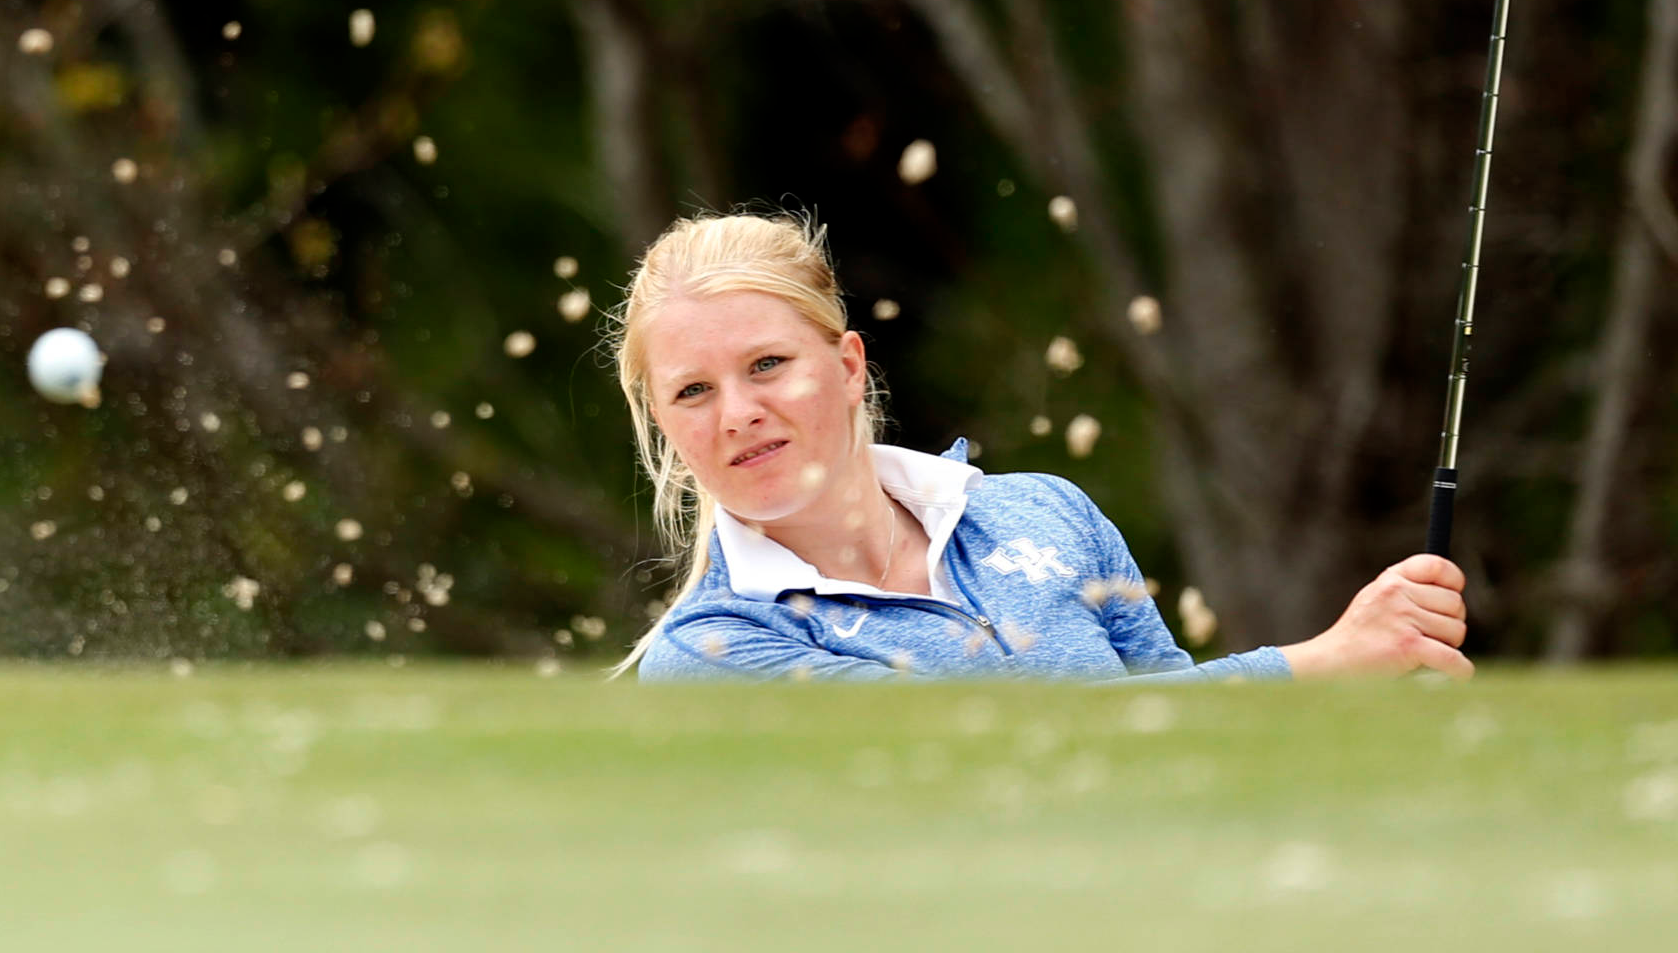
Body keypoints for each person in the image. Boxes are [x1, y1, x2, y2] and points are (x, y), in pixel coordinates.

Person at [610, 212, 1471, 682]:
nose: (737, 413)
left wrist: (1369, 705)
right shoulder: (713, 651)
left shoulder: (1044, 512)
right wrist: (1320, 665)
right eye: (693, 390)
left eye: (767, 365)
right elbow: (1011, 762)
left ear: (846, 367)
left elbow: (1187, 746)